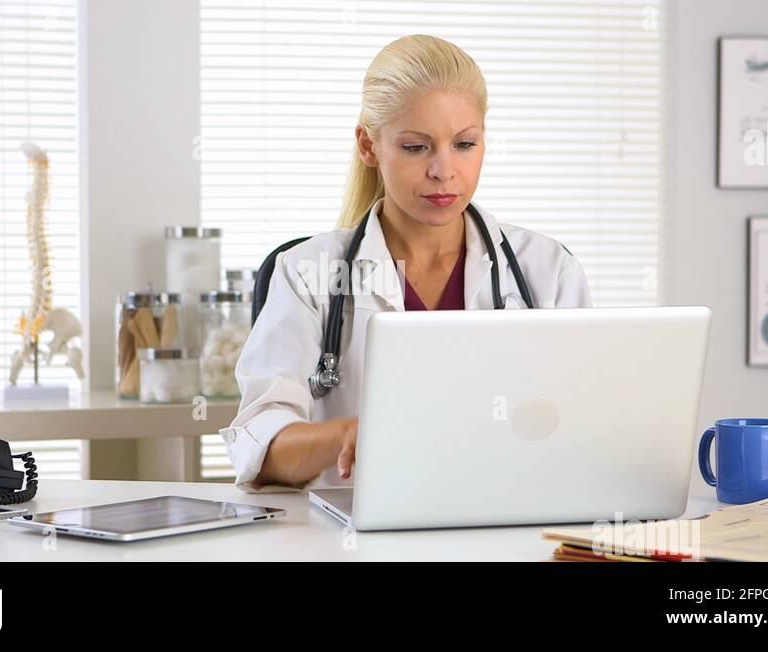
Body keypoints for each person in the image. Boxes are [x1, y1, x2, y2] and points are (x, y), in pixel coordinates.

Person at [219, 34, 592, 493]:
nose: (443, 170)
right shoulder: (306, 273)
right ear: (368, 146)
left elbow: (587, 429)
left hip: (512, 520)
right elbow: (260, 447)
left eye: (464, 144)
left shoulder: (550, 271)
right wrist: (344, 435)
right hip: (354, 528)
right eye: (416, 147)